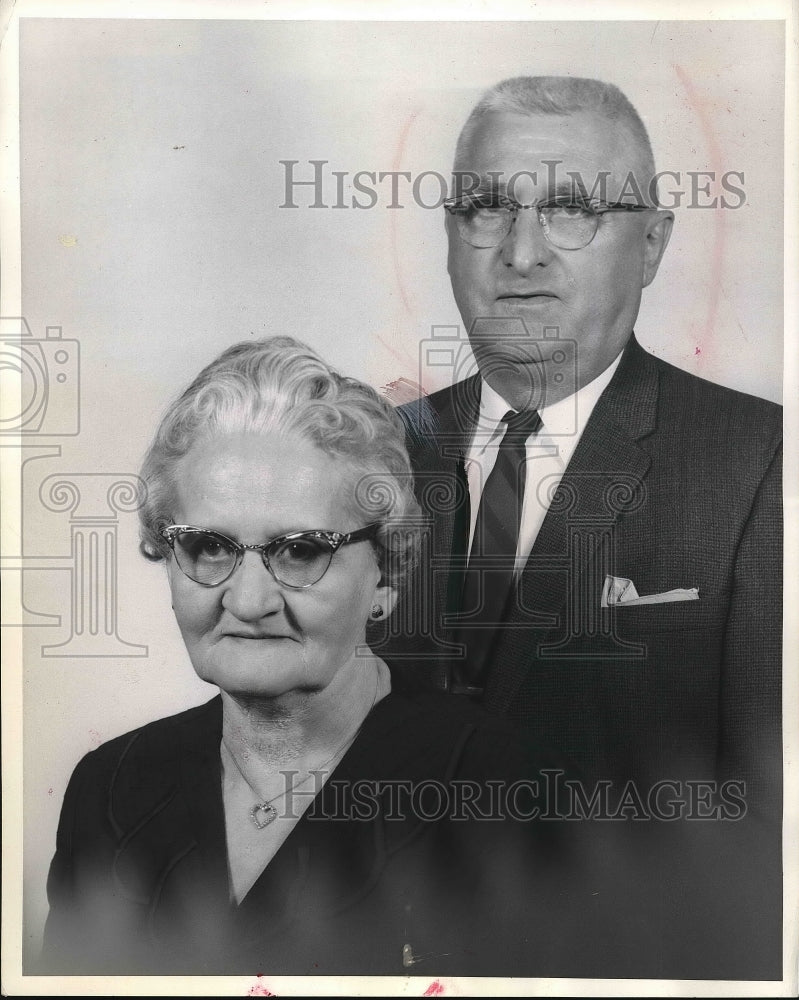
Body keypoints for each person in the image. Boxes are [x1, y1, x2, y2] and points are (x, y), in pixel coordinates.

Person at [369, 76, 782, 978]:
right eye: (485, 208)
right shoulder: (372, 456)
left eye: (570, 210)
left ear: (652, 243)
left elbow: (769, 843)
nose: (521, 254)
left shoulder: (757, 463)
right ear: (448, 236)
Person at [41, 336, 615, 978]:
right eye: (207, 546)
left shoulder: (514, 795)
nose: (249, 599)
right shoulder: (111, 786)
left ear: (387, 574)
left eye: (302, 550)